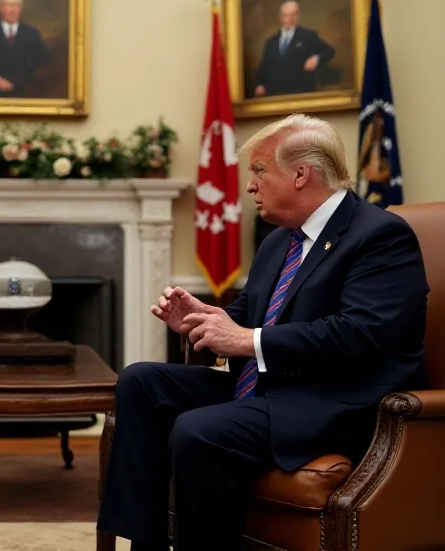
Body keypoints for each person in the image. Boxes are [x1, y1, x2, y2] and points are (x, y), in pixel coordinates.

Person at [96, 113, 428, 550]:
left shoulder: (379, 235)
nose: (249, 186)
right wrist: (200, 319)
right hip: (273, 391)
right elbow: (246, 316)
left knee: (199, 429)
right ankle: (147, 543)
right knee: (140, 380)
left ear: (300, 174)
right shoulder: (279, 239)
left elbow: (360, 333)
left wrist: (245, 339)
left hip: (333, 400)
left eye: (258, 171)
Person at [252, 0, 335, 98]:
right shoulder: (271, 42)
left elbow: (330, 51)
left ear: (298, 16)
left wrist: (316, 58)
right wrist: (260, 84)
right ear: (280, 17)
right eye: (285, 15)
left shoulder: (308, 36)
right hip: (275, 95)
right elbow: (264, 66)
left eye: (293, 15)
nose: (289, 19)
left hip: (301, 94)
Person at [0, 0, 49, 97]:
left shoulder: (32, 33)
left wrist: (18, 83)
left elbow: (43, 64)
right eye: (9, 5)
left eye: (17, 5)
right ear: (0, 7)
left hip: (25, 94)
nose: (13, 10)